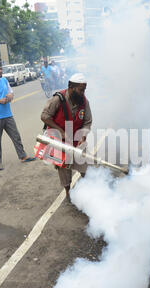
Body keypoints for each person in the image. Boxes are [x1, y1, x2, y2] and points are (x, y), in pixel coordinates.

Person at [40, 73, 92, 201]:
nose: (82, 93)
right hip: (60, 141)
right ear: (71, 87)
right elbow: (45, 116)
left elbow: (87, 121)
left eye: (84, 90)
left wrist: (83, 136)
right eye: (80, 90)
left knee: (86, 166)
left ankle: (90, 191)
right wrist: (60, 131)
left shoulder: (84, 102)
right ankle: (68, 192)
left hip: (77, 140)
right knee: (63, 168)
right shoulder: (58, 99)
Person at [0, 61, 36, 170]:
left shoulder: (4, 80)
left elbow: (11, 92)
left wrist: (10, 96)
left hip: (8, 115)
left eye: (1, 69)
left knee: (16, 136)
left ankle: (23, 156)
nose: (0, 71)